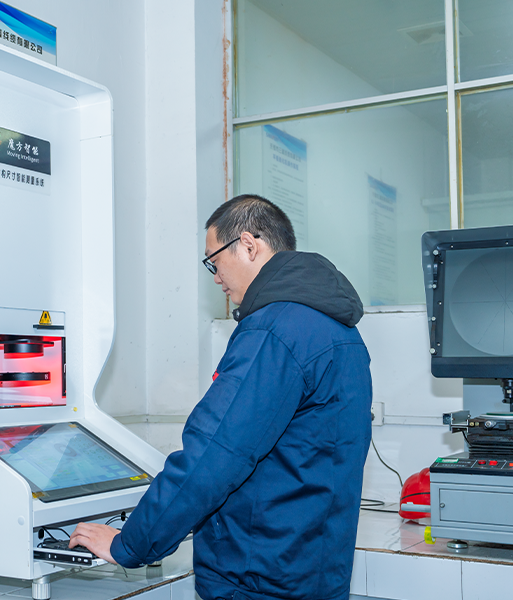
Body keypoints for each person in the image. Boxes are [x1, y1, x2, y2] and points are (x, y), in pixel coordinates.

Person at [70, 194, 372, 600]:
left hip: (258, 577)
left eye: (214, 261)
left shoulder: (273, 331)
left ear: (248, 245)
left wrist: (132, 543)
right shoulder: (339, 330)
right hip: (314, 569)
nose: (215, 277)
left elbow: (214, 455)